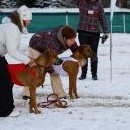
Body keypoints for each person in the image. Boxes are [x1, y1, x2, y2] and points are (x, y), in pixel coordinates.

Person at [22, 25, 81, 100]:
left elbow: (76, 51)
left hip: (49, 53)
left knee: (55, 72)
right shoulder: (52, 42)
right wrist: (51, 71)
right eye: (71, 40)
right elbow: (47, 60)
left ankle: (60, 94)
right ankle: (27, 93)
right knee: (35, 71)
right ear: (64, 38)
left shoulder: (70, 39)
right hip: (36, 47)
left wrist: (79, 60)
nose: (73, 42)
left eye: (74, 39)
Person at [0, 5, 34, 117]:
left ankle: (6, 108)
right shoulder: (12, 28)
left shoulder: (13, 27)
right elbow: (12, 51)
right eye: (29, 19)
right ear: (23, 18)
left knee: (6, 80)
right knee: (5, 81)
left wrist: (28, 57)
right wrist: (28, 61)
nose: (30, 22)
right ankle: (5, 111)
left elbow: (17, 47)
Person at [68, 0, 109, 80]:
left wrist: (106, 32)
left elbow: (102, 18)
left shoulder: (99, 5)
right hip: (83, 32)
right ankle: (83, 74)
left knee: (93, 54)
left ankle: (94, 74)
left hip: (95, 34)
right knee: (83, 54)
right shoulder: (81, 2)